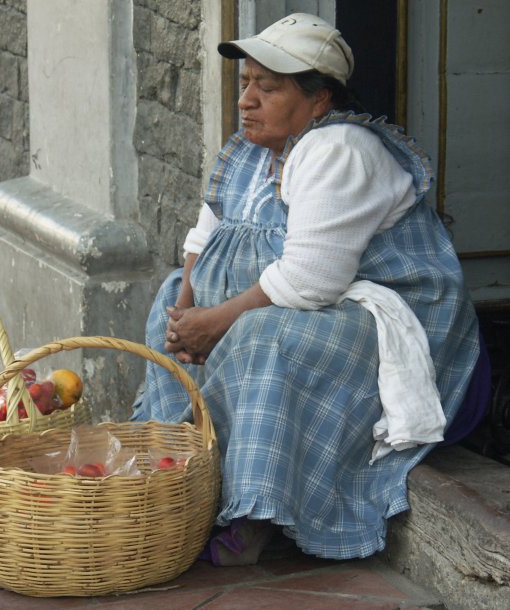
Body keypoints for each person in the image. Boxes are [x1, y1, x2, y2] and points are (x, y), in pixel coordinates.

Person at [131, 13, 490, 565]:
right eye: (246, 83)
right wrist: (186, 309)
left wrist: (217, 322)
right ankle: (175, 476)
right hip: (297, 298)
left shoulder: (338, 149)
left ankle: (252, 514)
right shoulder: (253, 148)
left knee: (262, 336)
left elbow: (311, 281)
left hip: (384, 313)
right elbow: (204, 232)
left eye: (267, 87)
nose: (247, 99)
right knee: (166, 303)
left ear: (319, 100)